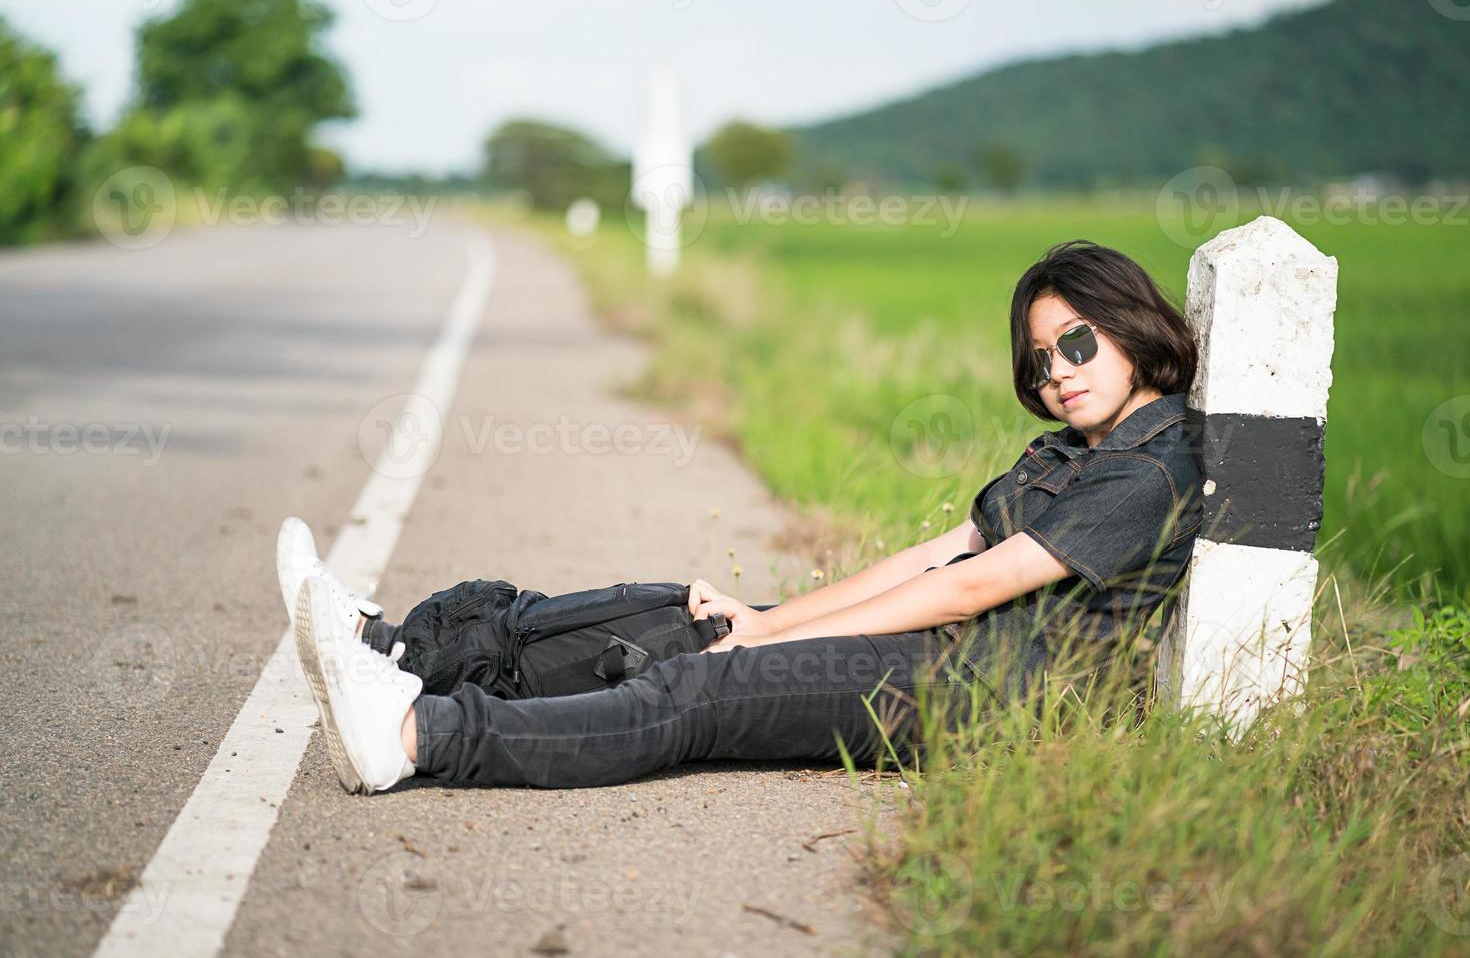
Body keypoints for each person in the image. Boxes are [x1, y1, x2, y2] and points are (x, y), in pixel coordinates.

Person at [279, 239, 1205, 795]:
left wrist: (771, 649)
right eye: (1041, 359)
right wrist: (765, 622)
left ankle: (410, 738)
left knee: (700, 695)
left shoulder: (1150, 470)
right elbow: (936, 555)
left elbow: (973, 588)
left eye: (1076, 343)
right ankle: (402, 654)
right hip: (951, 657)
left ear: (1131, 327)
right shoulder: (1071, 450)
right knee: (683, 623)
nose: (1059, 372)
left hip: (987, 700)